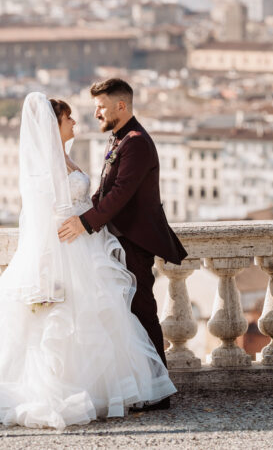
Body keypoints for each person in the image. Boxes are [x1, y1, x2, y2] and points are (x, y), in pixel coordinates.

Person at [0, 92, 176, 430]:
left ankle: (123, 389)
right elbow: (43, 225)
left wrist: (88, 221)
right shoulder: (44, 170)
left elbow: (97, 197)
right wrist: (46, 270)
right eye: (68, 118)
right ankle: (71, 391)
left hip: (86, 245)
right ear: (54, 125)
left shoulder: (66, 158)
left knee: (110, 316)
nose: (76, 121)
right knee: (66, 324)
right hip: (67, 250)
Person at [57, 78, 187, 410]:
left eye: (100, 107)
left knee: (142, 312)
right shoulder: (121, 139)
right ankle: (143, 386)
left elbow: (121, 193)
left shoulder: (137, 142)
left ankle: (159, 391)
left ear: (121, 106)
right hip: (117, 238)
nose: (96, 113)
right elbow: (105, 191)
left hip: (134, 241)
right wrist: (87, 214)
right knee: (126, 314)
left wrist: (85, 223)